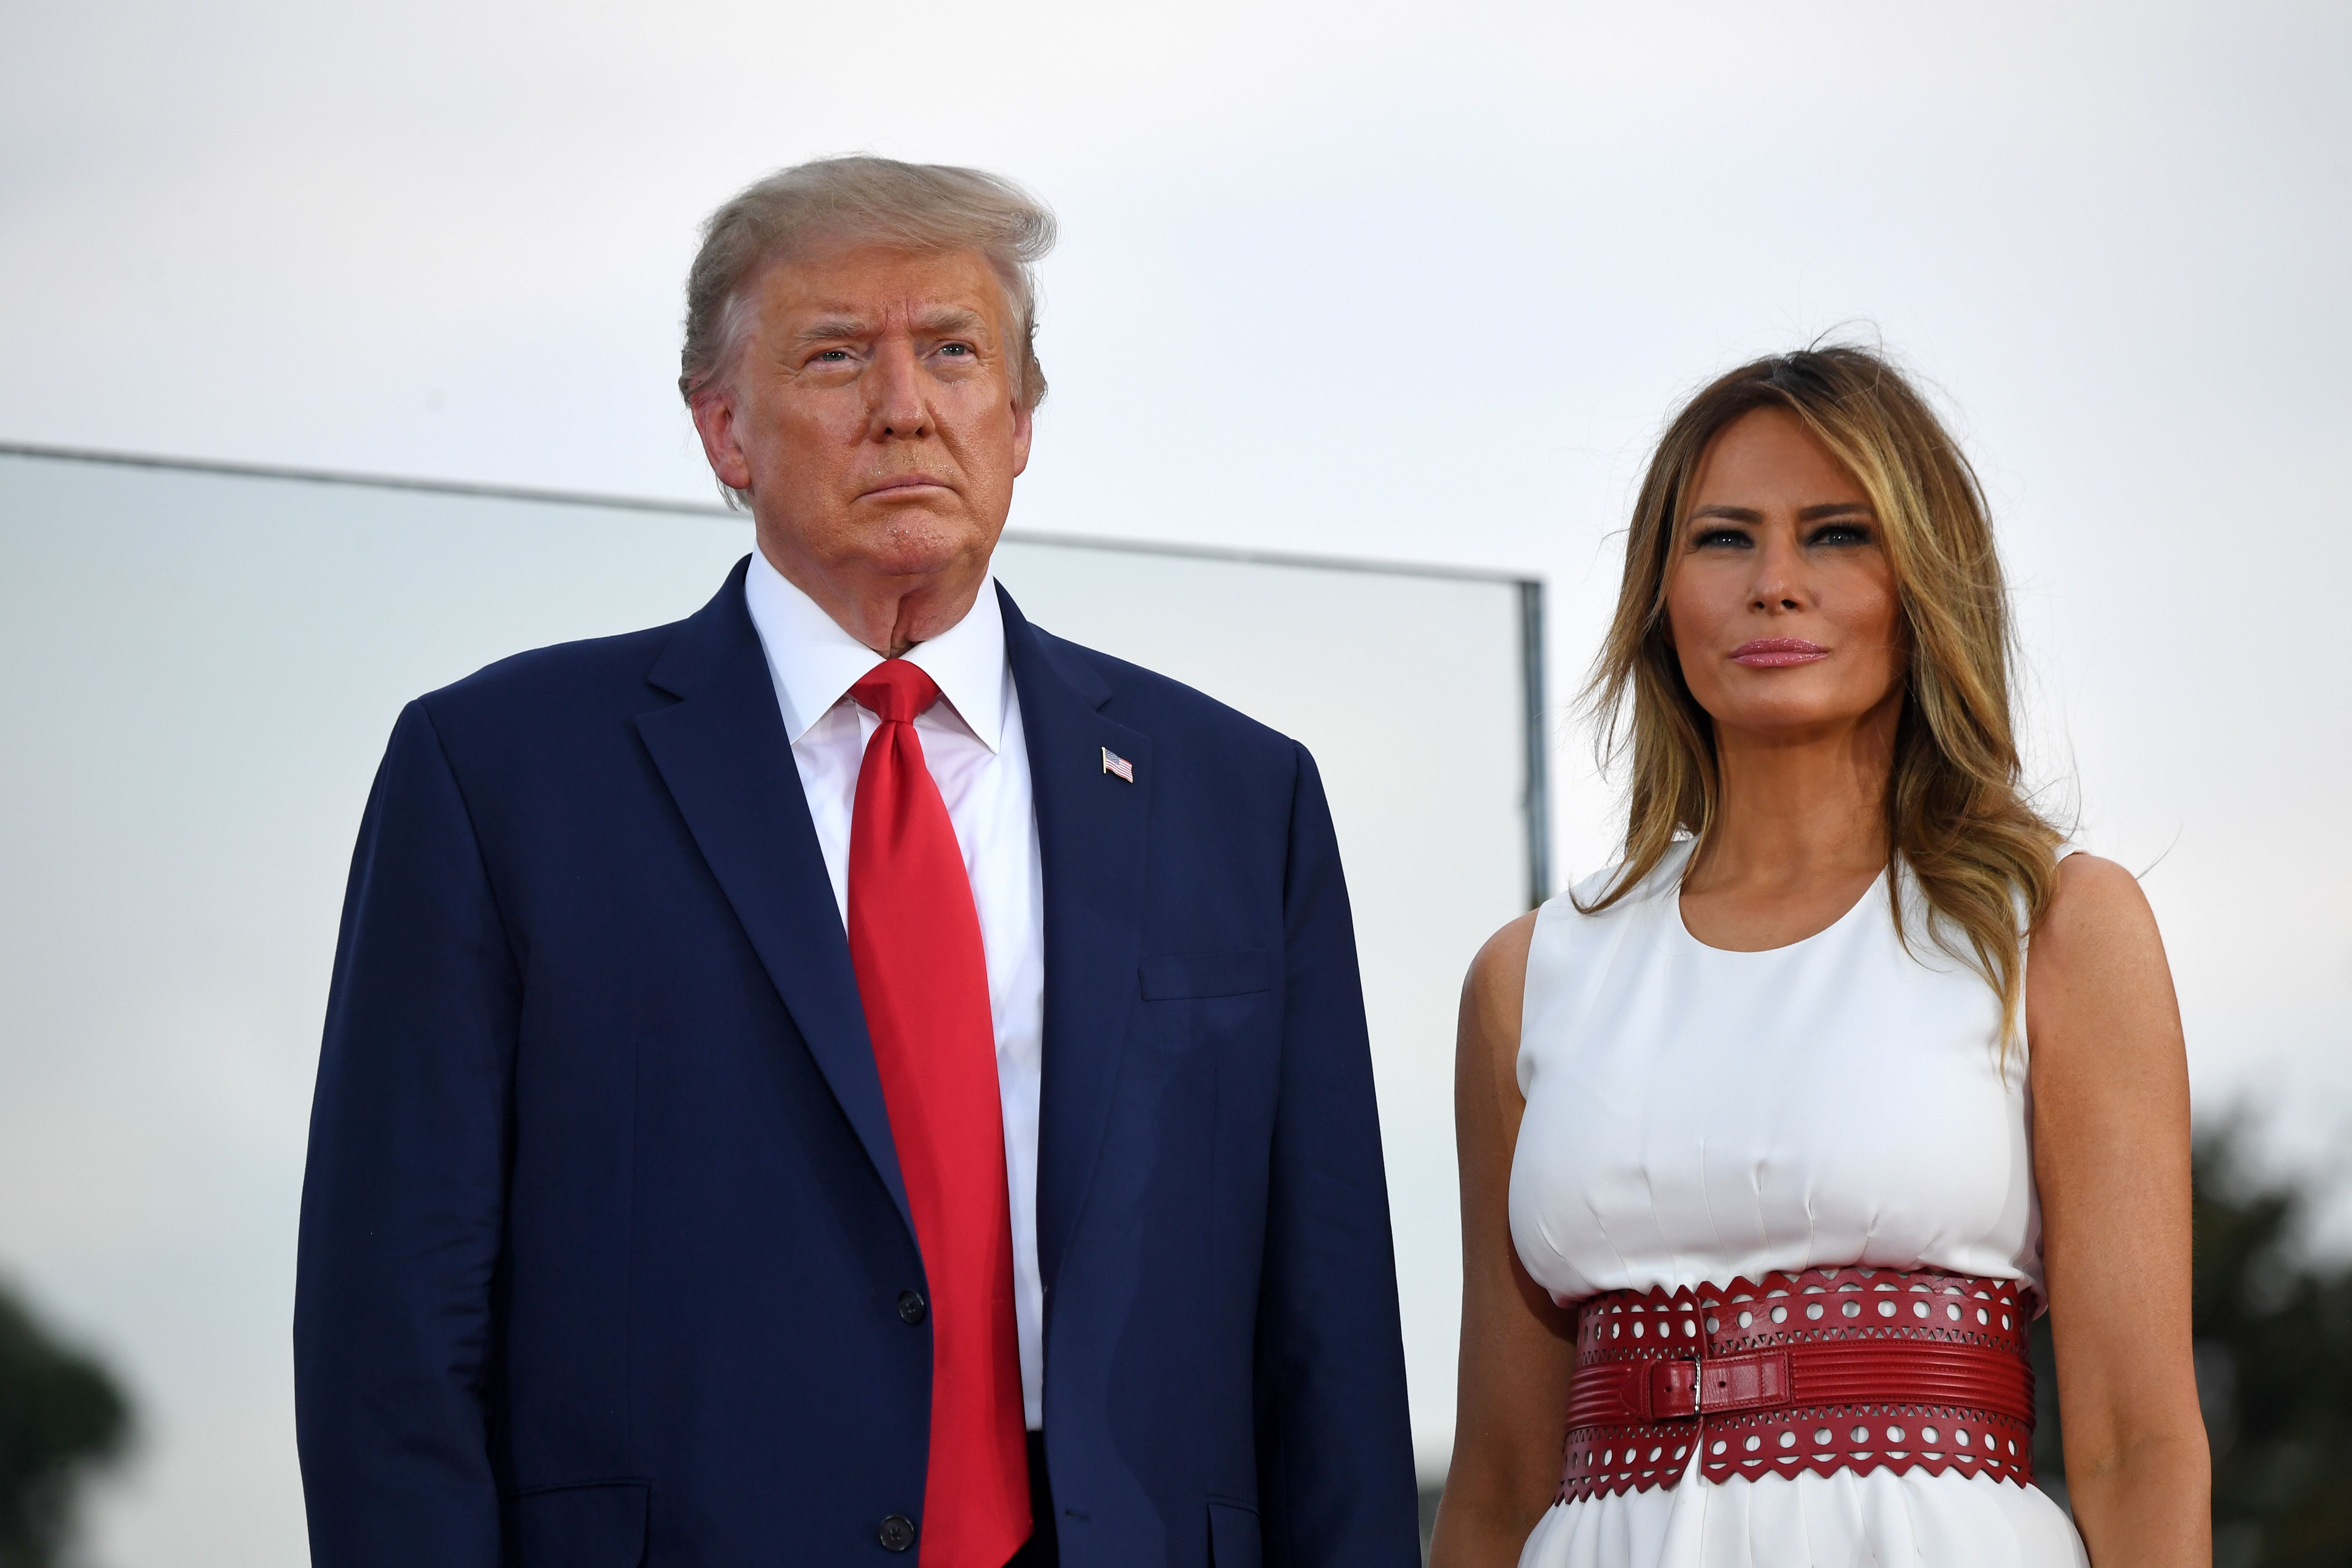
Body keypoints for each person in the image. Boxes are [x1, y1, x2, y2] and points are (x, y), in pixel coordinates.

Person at [292, 156, 1419, 1568]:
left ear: (1018, 422)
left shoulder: (1241, 798)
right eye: (838, 356)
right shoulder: (499, 776)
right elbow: (392, 1328)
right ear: (723, 431)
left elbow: (1332, 1342)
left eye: (953, 352)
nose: (904, 405)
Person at [1431, 347, 2210, 1567]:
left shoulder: (2055, 927)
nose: (1776, 585)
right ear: (1659, 595)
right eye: (1726, 539)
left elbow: (2136, 1443)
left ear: (1925, 581)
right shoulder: (1530, 977)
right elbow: (1499, 1476)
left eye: (1837, 535)